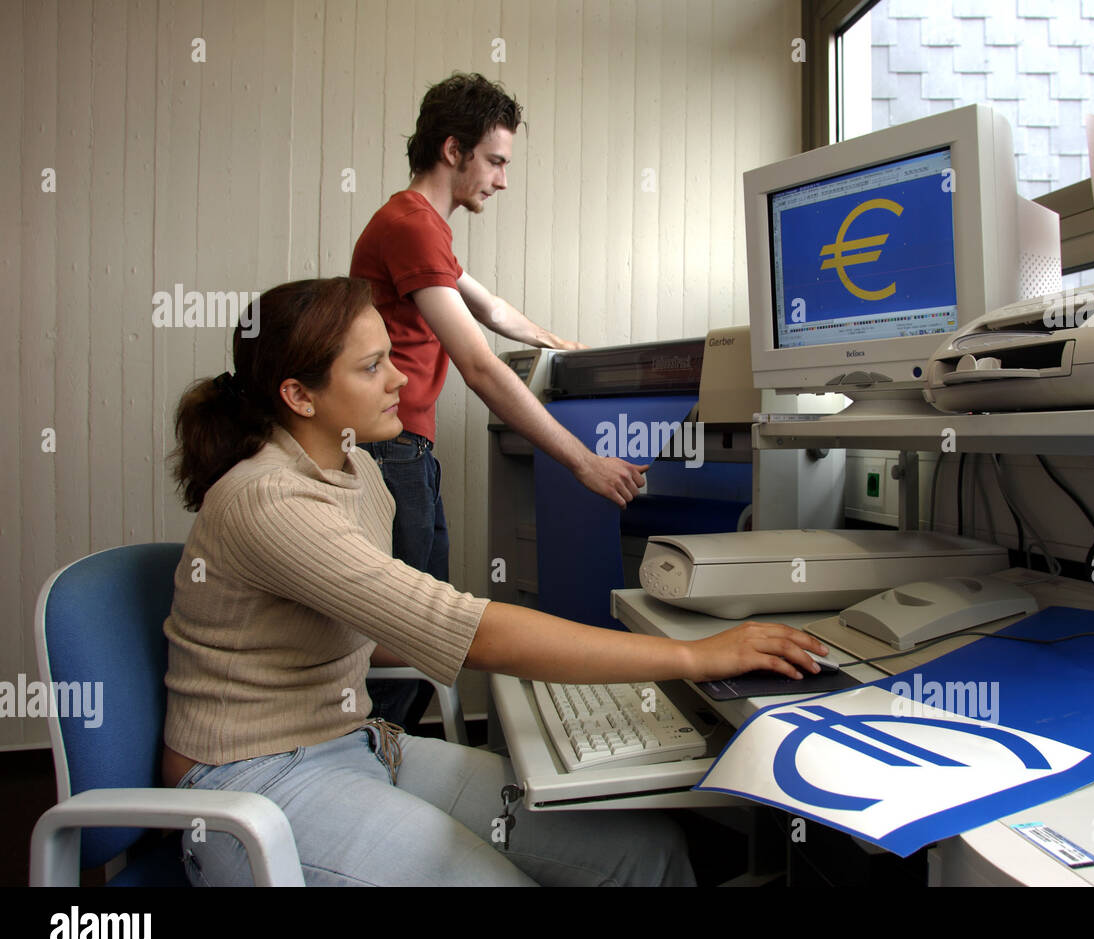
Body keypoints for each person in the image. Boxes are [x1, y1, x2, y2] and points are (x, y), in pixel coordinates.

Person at [162, 277, 830, 886]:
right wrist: (692, 656)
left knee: (647, 853)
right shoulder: (266, 500)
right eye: (372, 368)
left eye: (392, 355)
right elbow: (449, 622)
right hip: (255, 783)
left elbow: (373, 629)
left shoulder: (357, 471)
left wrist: (543, 671)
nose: (400, 380)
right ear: (299, 395)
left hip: (355, 743)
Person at [350, 72, 641, 727]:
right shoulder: (410, 226)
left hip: (407, 450)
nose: (502, 180)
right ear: (454, 150)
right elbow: (479, 366)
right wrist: (583, 462)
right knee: (412, 636)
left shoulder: (420, 226)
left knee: (424, 632)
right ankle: (362, 764)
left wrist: (561, 347)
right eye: (496, 161)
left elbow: (493, 311)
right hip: (390, 452)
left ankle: (379, 760)